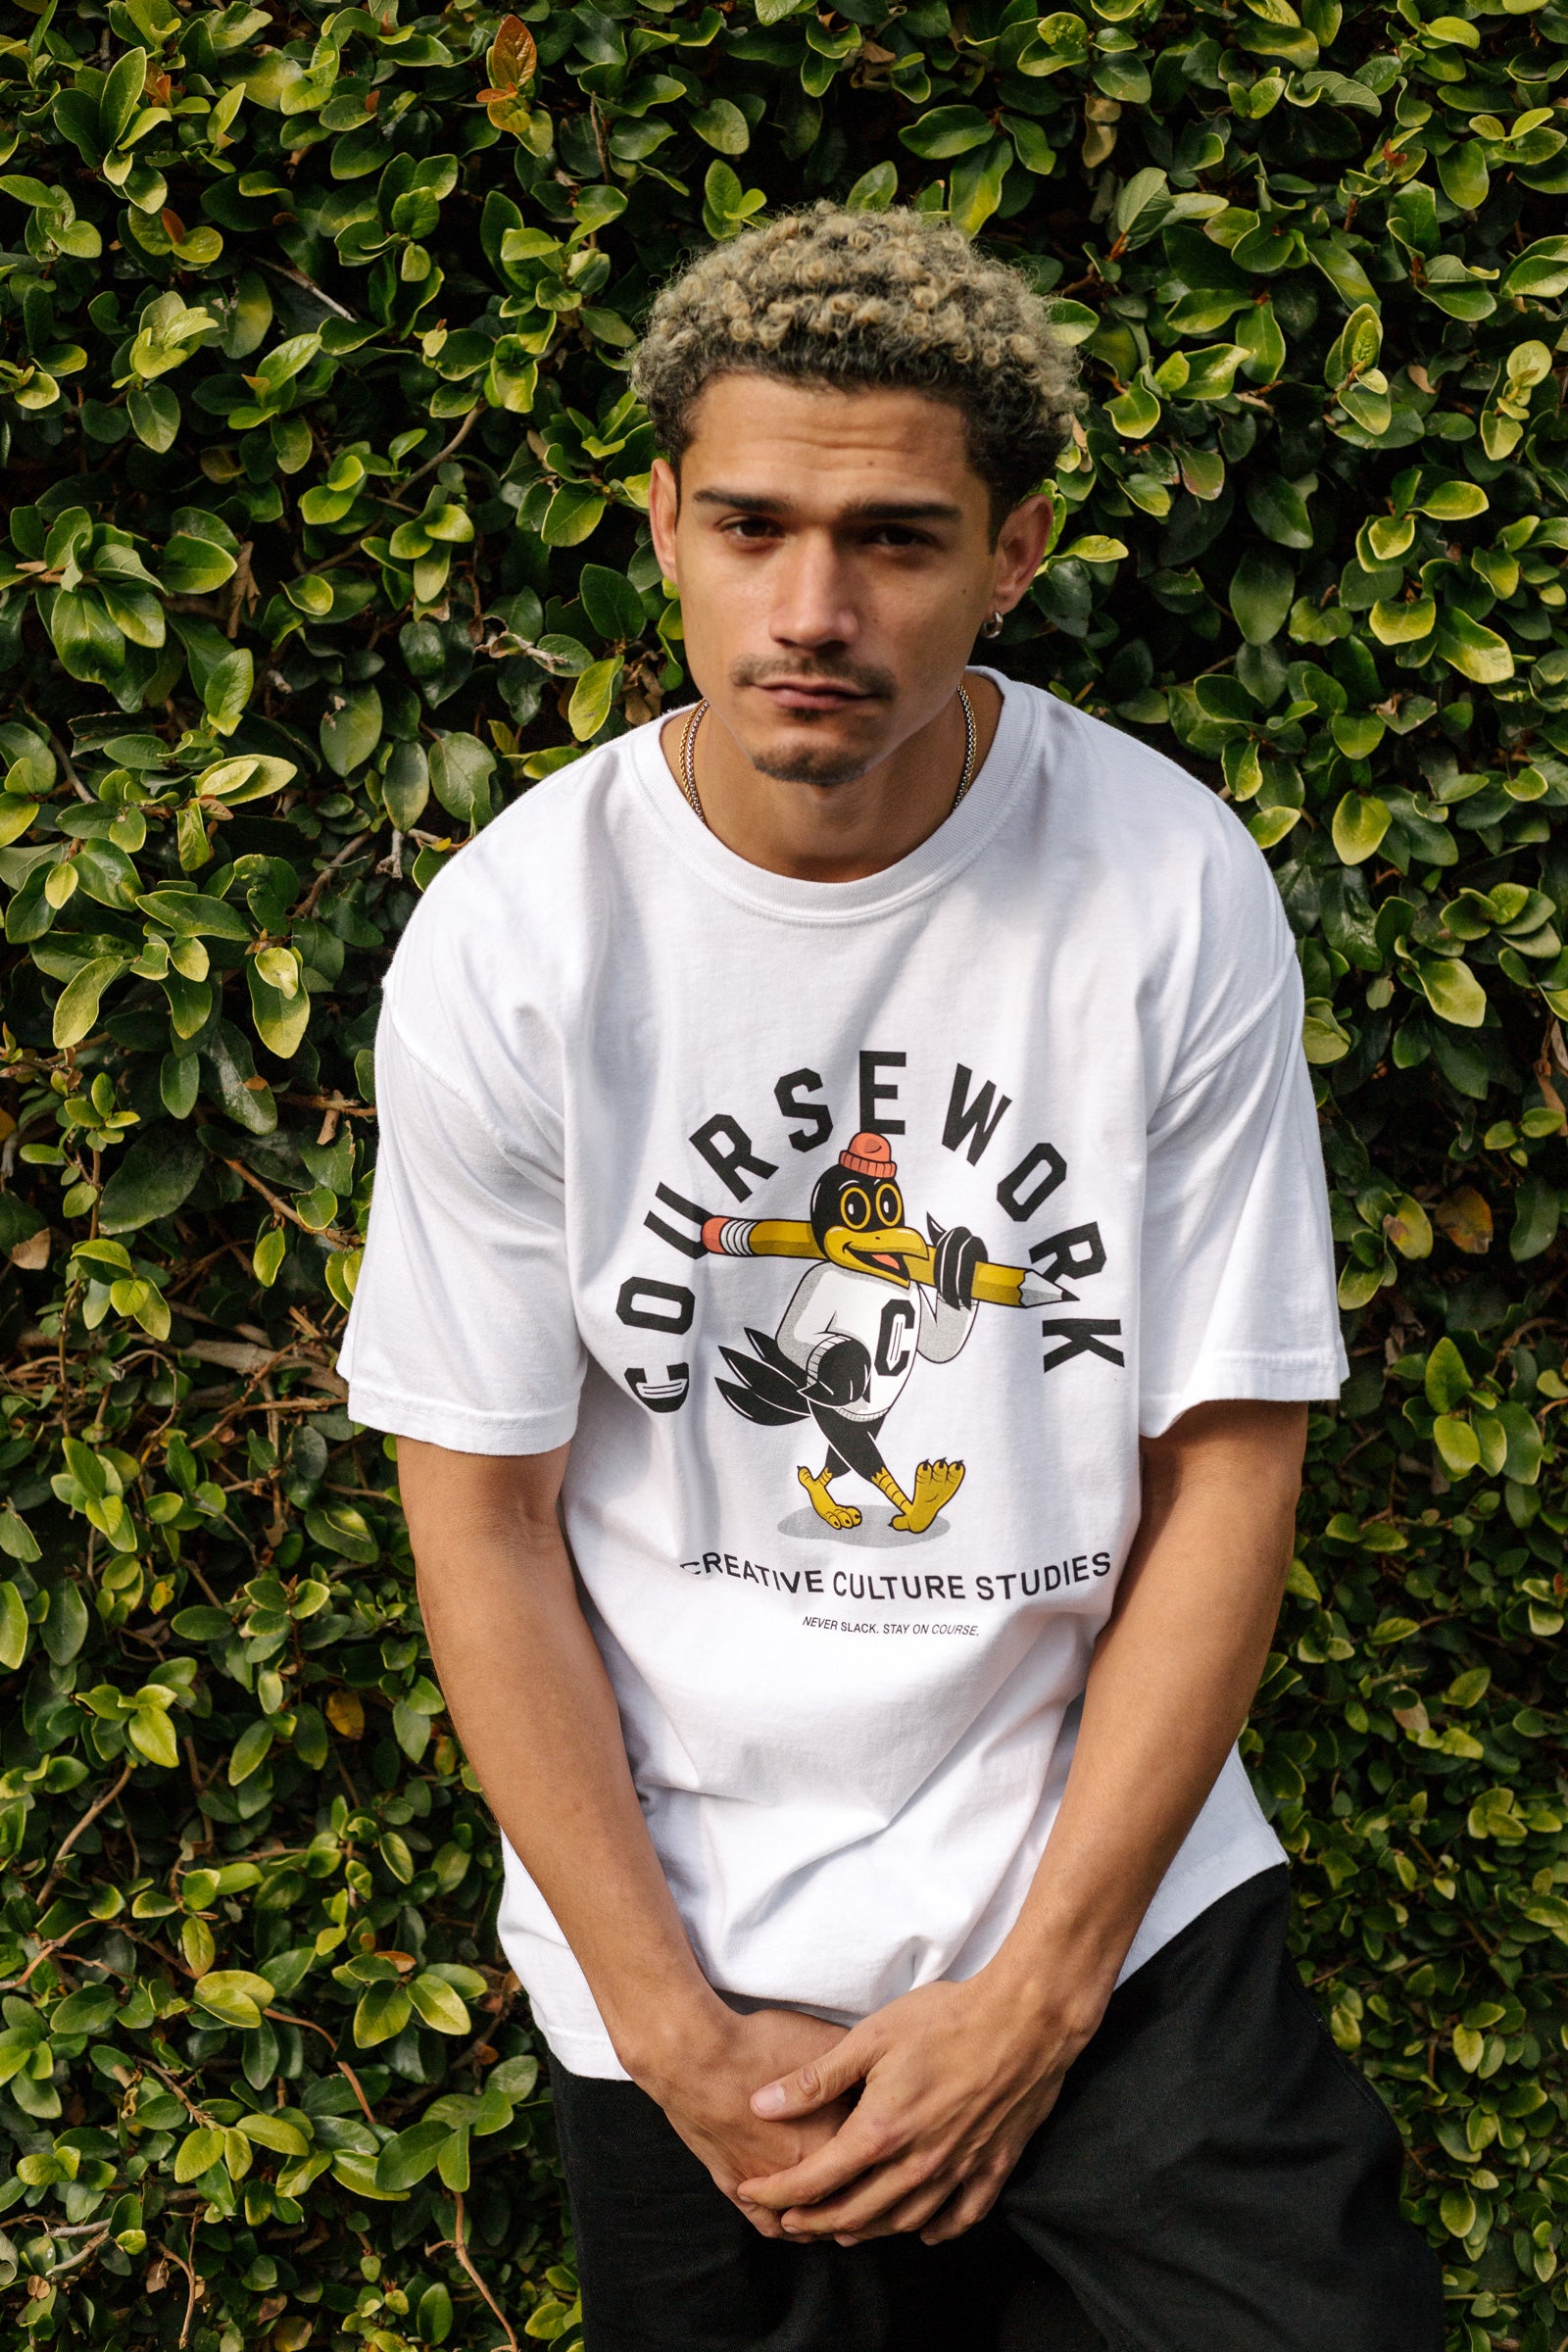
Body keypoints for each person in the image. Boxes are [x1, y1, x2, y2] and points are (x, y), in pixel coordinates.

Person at [338, 205, 1445, 2351]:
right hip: (686, 1950)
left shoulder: (1154, 880)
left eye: (897, 540)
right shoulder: (516, 939)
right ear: (657, 520)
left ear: (1013, 553)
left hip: (1106, 1925)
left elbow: (1227, 1457)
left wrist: (1034, 1998)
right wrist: (666, 2030)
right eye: (747, 525)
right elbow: (477, 1510)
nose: (810, 609)